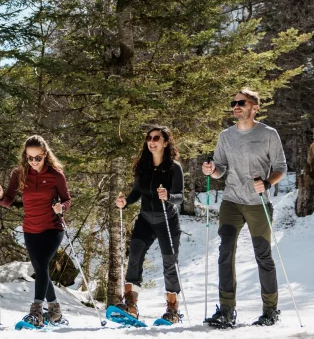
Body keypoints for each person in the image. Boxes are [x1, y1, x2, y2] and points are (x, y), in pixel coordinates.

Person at [202, 88, 287, 328]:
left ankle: (270, 310)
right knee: (225, 252)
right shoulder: (225, 136)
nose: (236, 106)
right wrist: (211, 170)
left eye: (242, 102)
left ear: (254, 107)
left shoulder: (268, 134)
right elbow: (220, 168)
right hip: (231, 201)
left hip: (257, 203)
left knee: (263, 256)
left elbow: (281, 167)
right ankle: (227, 310)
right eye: (234, 102)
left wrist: (268, 182)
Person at [0, 135, 71, 327]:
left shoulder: (55, 175)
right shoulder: (19, 174)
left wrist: (62, 207)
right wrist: (0, 194)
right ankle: (55, 312)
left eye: (38, 157)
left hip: (53, 227)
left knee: (42, 265)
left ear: (45, 155)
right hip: (30, 229)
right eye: (30, 157)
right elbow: (8, 200)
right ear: (25, 157)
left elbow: (67, 199)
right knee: (40, 269)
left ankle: (36, 312)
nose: (34, 161)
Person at [115, 125, 185, 324]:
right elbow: (137, 192)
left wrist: (168, 196)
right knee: (135, 255)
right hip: (145, 218)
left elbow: (180, 197)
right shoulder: (143, 166)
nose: (152, 141)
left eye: (156, 138)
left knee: (169, 263)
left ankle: (172, 308)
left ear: (165, 142)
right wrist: (125, 201)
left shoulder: (174, 167)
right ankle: (130, 303)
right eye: (149, 138)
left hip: (167, 220)